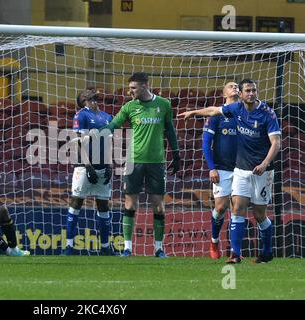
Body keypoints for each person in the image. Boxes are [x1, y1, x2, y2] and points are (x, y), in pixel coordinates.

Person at [178, 79, 281, 264]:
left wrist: (265, 163)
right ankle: (235, 254)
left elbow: (276, 143)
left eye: (254, 90)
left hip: (262, 171)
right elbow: (213, 110)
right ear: (241, 95)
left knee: (259, 215)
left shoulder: (268, 114)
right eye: (247, 91)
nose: (251, 93)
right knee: (237, 208)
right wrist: (193, 112)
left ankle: (266, 252)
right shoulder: (236, 109)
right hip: (240, 168)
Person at [93, 72, 180, 257]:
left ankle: (158, 248)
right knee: (130, 204)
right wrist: (98, 132)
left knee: (158, 205)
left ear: (144, 86)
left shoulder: (163, 104)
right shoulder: (129, 107)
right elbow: (113, 125)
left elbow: (170, 129)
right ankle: (127, 248)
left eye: (133, 88)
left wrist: (176, 153)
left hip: (156, 162)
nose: (129, 91)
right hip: (133, 162)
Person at [62, 89, 115, 256]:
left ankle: (105, 247)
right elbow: (80, 142)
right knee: (76, 202)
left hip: (102, 166)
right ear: (82, 101)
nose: (92, 100)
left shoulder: (107, 117)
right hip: (84, 167)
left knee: (103, 205)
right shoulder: (81, 116)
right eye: (88, 98)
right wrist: (88, 166)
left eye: (93, 97)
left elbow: (108, 143)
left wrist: (109, 164)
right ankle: (69, 246)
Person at [202, 82, 239, 259]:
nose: (235, 87)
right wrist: (211, 168)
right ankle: (215, 240)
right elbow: (206, 143)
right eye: (231, 86)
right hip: (222, 169)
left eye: (237, 85)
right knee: (221, 207)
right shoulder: (217, 115)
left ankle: (235, 250)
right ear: (224, 92)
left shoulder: (245, 113)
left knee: (237, 208)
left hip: (242, 168)